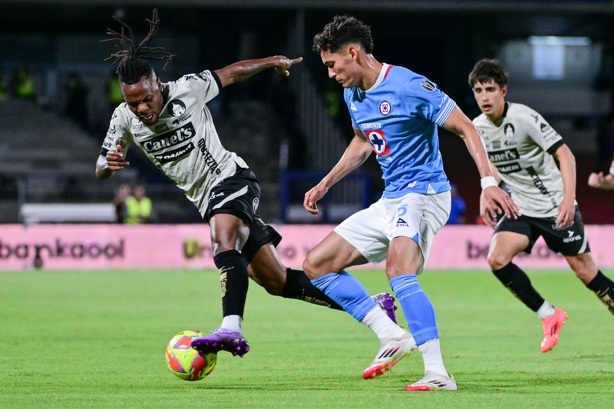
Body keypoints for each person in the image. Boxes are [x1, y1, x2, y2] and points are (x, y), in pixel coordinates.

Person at [95, 10, 396, 359]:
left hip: (230, 178)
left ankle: (230, 329)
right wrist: (108, 164)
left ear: (157, 85)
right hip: (205, 199)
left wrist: (272, 62)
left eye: (147, 98)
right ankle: (372, 307)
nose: (143, 108)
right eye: (134, 103)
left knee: (223, 240)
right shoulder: (123, 118)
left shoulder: (186, 90)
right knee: (278, 281)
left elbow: (230, 74)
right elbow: (102, 165)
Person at [304, 15, 519, 392]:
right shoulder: (352, 93)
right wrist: (326, 183)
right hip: (392, 198)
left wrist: (488, 182)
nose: (331, 74)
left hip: (425, 193)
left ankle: (437, 373)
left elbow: (466, 127)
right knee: (316, 265)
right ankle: (391, 335)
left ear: (352, 53)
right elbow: (363, 142)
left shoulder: (408, 85)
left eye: (332, 65)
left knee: (398, 267)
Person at [468, 58, 614, 353]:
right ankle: (549, 315)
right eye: (478, 90)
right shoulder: (477, 128)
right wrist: (488, 191)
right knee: (497, 259)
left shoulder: (524, 118)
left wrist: (567, 200)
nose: (484, 96)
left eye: (490, 89)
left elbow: (566, 155)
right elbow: (492, 168)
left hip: (554, 205)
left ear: (503, 90)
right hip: (520, 207)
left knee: (586, 273)